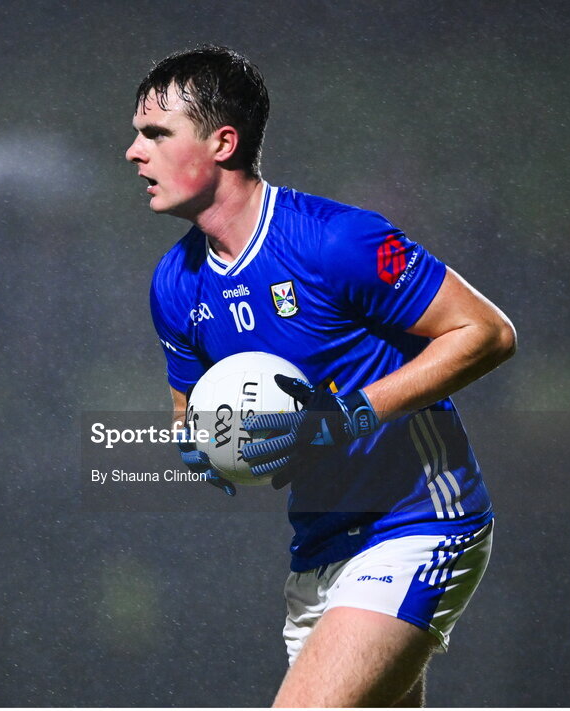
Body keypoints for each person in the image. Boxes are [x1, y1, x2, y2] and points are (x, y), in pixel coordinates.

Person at [126, 45, 516, 707]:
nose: (135, 152)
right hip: (317, 553)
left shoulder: (335, 240)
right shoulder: (174, 283)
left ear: (223, 142)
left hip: (417, 523)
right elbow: (188, 418)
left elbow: (485, 333)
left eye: (157, 134)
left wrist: (344, 416)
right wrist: (211, 450)